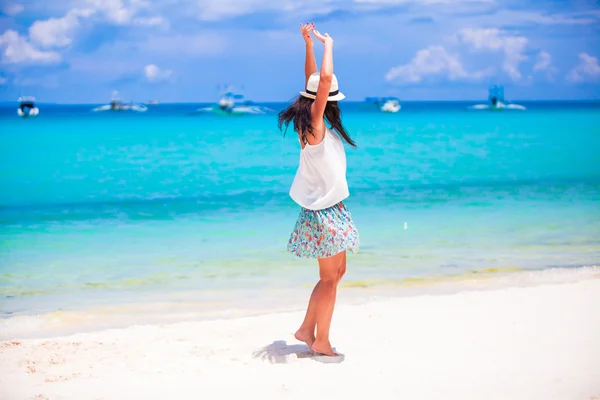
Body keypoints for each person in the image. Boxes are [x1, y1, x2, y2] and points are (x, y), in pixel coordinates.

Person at [278, 23, 360, 357]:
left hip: (332, 209)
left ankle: (305, 329)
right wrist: (329, 45)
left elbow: (314, 83)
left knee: (337, 273)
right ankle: (320, 338)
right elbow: (322, 82)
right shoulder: (313, 128)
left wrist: (308, 45)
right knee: (330, 278)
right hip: (324, 213)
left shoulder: (314, 123)